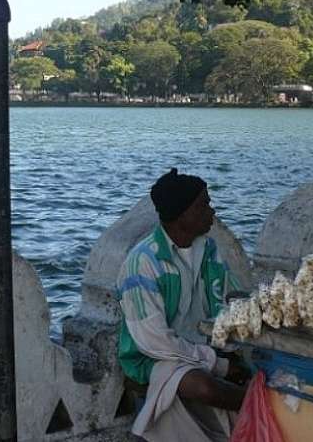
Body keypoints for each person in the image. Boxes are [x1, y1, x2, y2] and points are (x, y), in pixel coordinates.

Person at [117, 168, 250, 441]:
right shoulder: (143, 262)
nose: (212, 212)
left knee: (261, 370)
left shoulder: (208, 250)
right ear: (182, 215)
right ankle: (256, 406)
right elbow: (155, 342)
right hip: (153, 359)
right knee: (204, 387)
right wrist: (218, 364)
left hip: (201, 348)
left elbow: (231, 298)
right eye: (203, 205)